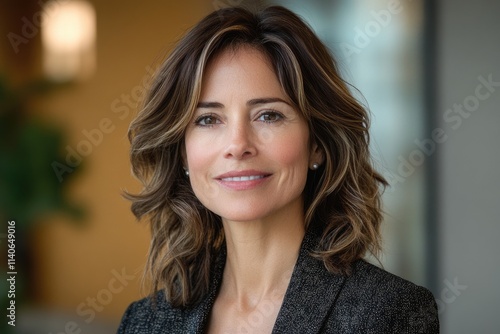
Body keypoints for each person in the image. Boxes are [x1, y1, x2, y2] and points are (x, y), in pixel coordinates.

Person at [117, 5, 439, 334]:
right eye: (208, 119)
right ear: (183, 154)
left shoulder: (388, 313)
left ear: (317, 143)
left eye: (268, 115)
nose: (238, 144)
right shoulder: (144, 322)